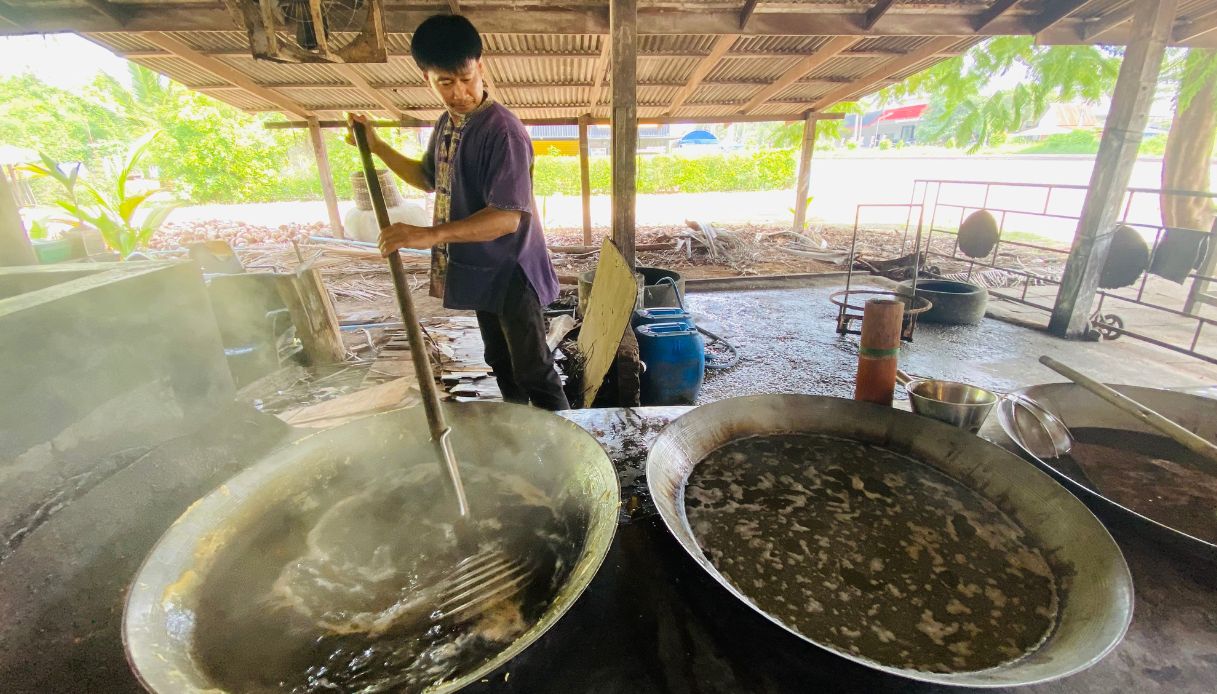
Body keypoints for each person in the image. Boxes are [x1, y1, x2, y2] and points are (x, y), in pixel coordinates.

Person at [347, 14, 568, 411]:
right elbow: (428, 177)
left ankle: (570, 446)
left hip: (512, 269)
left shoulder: (503, 132)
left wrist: (427, 235)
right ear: (427, 80)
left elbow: (506, 218)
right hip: (479, 267)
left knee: (533, 368)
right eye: (445, 83)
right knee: (499, 361)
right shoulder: (447, 123)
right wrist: (377, 146)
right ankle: (519, 433)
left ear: (480, 67)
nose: (460, 92)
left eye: (466, 78)